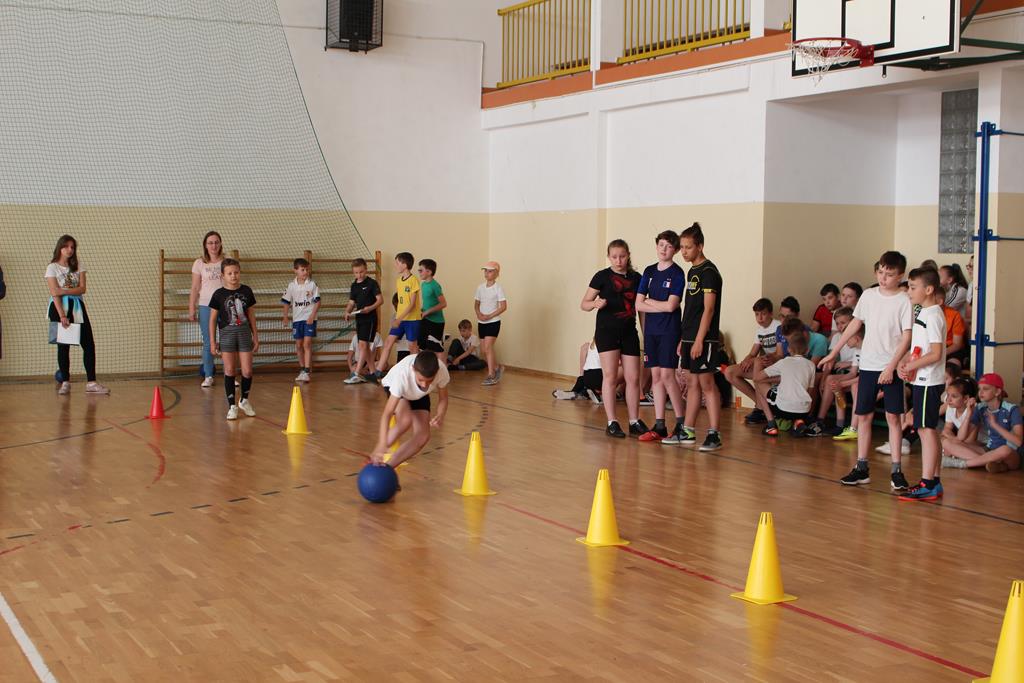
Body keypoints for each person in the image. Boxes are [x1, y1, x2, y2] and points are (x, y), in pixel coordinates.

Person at [821, 252, 913, 490]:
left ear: (900, 275)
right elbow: (855, 323)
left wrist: (891, 367)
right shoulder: (869, 296)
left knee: (893, 418)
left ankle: (897, 471)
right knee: (863, 416)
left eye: (889, 274)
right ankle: (861, 468)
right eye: (880, 272)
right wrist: (834, 351)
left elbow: (906, 338)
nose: (883, 277)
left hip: (890, 367)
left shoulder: (904, 300)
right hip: (869, 365)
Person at [582, 240, 647, 438]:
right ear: (609, 257)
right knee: (610, 377)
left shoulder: (637, 278)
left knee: (633, 378)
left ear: (628, 255)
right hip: (606, 332)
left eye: (622, 256)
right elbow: (584, 303)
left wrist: (646, 335)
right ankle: (612, 422)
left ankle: (634, 421)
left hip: (629, 332)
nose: (618, 261)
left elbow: (641, 309)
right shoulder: (601, 276)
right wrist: (595, 304)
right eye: (614, 257)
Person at [896, 267, 947, 500]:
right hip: (922, 379)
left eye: (913, 287)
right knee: (928, 430)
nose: (909, 291)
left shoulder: (934, 315)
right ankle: (934, 481)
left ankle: (927, 483)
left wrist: (912, 366)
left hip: (929, 381)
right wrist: (906, 361)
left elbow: (936, 353)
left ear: (928, 289)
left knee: (926, 430)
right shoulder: (923, 313)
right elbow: (920, 348)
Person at [675, 223, 723, 451]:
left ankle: (714, 434)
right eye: (682, 247)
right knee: (692, 383)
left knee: (707, 384)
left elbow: (709, 310)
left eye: (688, 247)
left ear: (700, 246)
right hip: (688, 337)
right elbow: (691, 309)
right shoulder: (691, 271)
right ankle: (688, 430)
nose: (683, 252)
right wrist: (683, 339)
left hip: (704, 339)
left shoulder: (709, 272)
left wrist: (699, 340)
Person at [635, 230, 687, 442]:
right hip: (651, 331)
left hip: (669, 331)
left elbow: (672, 306)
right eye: (661, 245)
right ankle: (660, 425)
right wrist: (657, 305)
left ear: (675, 250)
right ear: (656, 246)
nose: (664, 249)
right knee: (655, 376)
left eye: (669, 246)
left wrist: (650, 302)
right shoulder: (649, 271)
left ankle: (682, 423)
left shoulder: (677, 273)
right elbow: (638, 304)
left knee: (667, 376)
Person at [46, 235, 109, 395]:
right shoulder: (52, 267)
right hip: (58, 308)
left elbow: (82, 289)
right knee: (63, 345)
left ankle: (91, 383)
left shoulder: (78, 265)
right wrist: (62, 315)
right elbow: (54, 293)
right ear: (60, 247)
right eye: (66, 246)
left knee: (88, 343)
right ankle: (65, 382)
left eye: (72, 247)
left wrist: (63, 290)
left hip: (77, 307)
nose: (70, 250)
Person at [370, 351, 450, 470]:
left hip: (418, 394)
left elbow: (443, 398)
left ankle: (388, 468)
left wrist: (440, 414)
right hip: (396, 387)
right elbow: (387, 414)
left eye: (429, 381)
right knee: (405, 420)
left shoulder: (441, 371)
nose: (424, 385)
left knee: (423, 436)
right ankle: (375, 456)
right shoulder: (402, 376)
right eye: (421, 379)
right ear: (413, 369)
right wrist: (382, 444)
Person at [208, 259, 259, 420]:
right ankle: (232, 406)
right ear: (222, 275)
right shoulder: (218, 294)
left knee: (247, 371)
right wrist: (212, 341)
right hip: (227, 334)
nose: (233, 276)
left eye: (236, 272)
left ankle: (244, 400)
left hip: (244, 333)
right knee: (229, 370)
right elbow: (212, 320)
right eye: (229, 273)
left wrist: (256, 336)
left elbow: (251, 315)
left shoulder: (246, 291)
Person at [942, 373, 1022, 472]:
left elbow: (1018, 442)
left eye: (986, 389)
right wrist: (969, 414)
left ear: (997, 392)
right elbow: (961, 438)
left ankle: (963, 464)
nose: (981, 392)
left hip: (1011, 453)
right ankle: (992, 464)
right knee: (947, 443)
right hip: (988, 450)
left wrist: (995, 425)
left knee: (1004, 449)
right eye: (979, 389)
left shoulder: (1012, 409)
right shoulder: (980, 408)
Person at [726, 298, 780, 426]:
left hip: (775, 365)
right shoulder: (759, 330)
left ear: (771, 313)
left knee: (757, 363)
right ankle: (761, 406)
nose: (760, 318)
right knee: (729, 372)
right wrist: (746, 361)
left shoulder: (778, 326)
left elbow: (779, 353)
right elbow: (752, 353)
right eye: (757, 314)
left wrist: (754, 360)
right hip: (763, 365)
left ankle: (763, 409)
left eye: (763, 314)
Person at [754, 327, 816, 436]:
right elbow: (810, 391)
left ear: (789, 349)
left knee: (759, 384)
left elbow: (757, 378)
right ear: (807, 350)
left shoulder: (783, 362)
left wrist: (772, 378)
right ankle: (798, 422)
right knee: (798, 397)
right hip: (804, 411)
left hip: (783, 410)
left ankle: (771, 425)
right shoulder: (811, 365)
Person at [805, 326, 863, 437]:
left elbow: (866, 377)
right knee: (832, 381)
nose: (845, 342)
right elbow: (852, 373)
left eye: (847, 339)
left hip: (869, 380)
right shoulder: (857, 350)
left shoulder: (867, 351)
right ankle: (832, 423)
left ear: (856, 338)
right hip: (858, 377)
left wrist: (842, 384)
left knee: (851, 386)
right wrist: (838, 383)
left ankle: (853, 427)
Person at [188, 231, 224, 388]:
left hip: (224, 306)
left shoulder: (226, 261)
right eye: (210, 243)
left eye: (216, 242)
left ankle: (230, 374)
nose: (213, 245)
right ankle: (209, 375)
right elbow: (195, 287)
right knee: (209, 341)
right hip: (205, 306)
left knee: (228, 340)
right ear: (205, 245)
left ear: (220, 244)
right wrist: (192, 307)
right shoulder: (199, 263)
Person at [343, 258, 383, 384]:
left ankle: (356, 374)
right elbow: (351, 303)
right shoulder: (354, 285)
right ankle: (373, 373)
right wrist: (347, 311)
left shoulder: (372, 283)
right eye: (356, 273)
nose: (359, 275)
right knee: (364, 347)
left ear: (366, 270)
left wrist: (369, 308)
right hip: (359, 318)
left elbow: (380, 300)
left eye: (361, 272)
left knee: (363, 345)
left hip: (370, 319)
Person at [280, 257, 320, 383]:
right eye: (302, 270)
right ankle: (302, 369)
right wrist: (285, 316)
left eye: (307, 269)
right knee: (298, 345)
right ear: (295, 270)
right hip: (297, 319)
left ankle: (307, 371)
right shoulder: (291, 286)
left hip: (309, 319)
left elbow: (317, 302)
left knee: (307, 344)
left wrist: (312, 316)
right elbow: (286, 302)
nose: (305, 272)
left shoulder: (312, 284)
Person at [475, 261, 508, 386]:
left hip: (493, 322)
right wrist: (479, 314)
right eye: (485, 271)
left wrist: (489, 316)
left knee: (488, 347)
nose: (486, 273)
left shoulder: (498, 288)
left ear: (496, 273)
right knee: (484, 350)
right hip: (481, 322)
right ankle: (497, 367)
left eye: (490, 271)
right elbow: (476, 304)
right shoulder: (480, 287)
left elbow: (503, 306)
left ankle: (491, 375)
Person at [417, 259, 447, 365]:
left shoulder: (435, 285)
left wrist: (427, 312)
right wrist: (422, 311)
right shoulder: (423, 285)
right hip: (425, 320)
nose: (419, 272)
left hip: (436, 322)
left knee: (437, 348)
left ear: (429, 272)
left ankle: (443, 371)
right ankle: (425, 369)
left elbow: (443, 304)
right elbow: (427, 303)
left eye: (421, 270)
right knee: (423, 346)